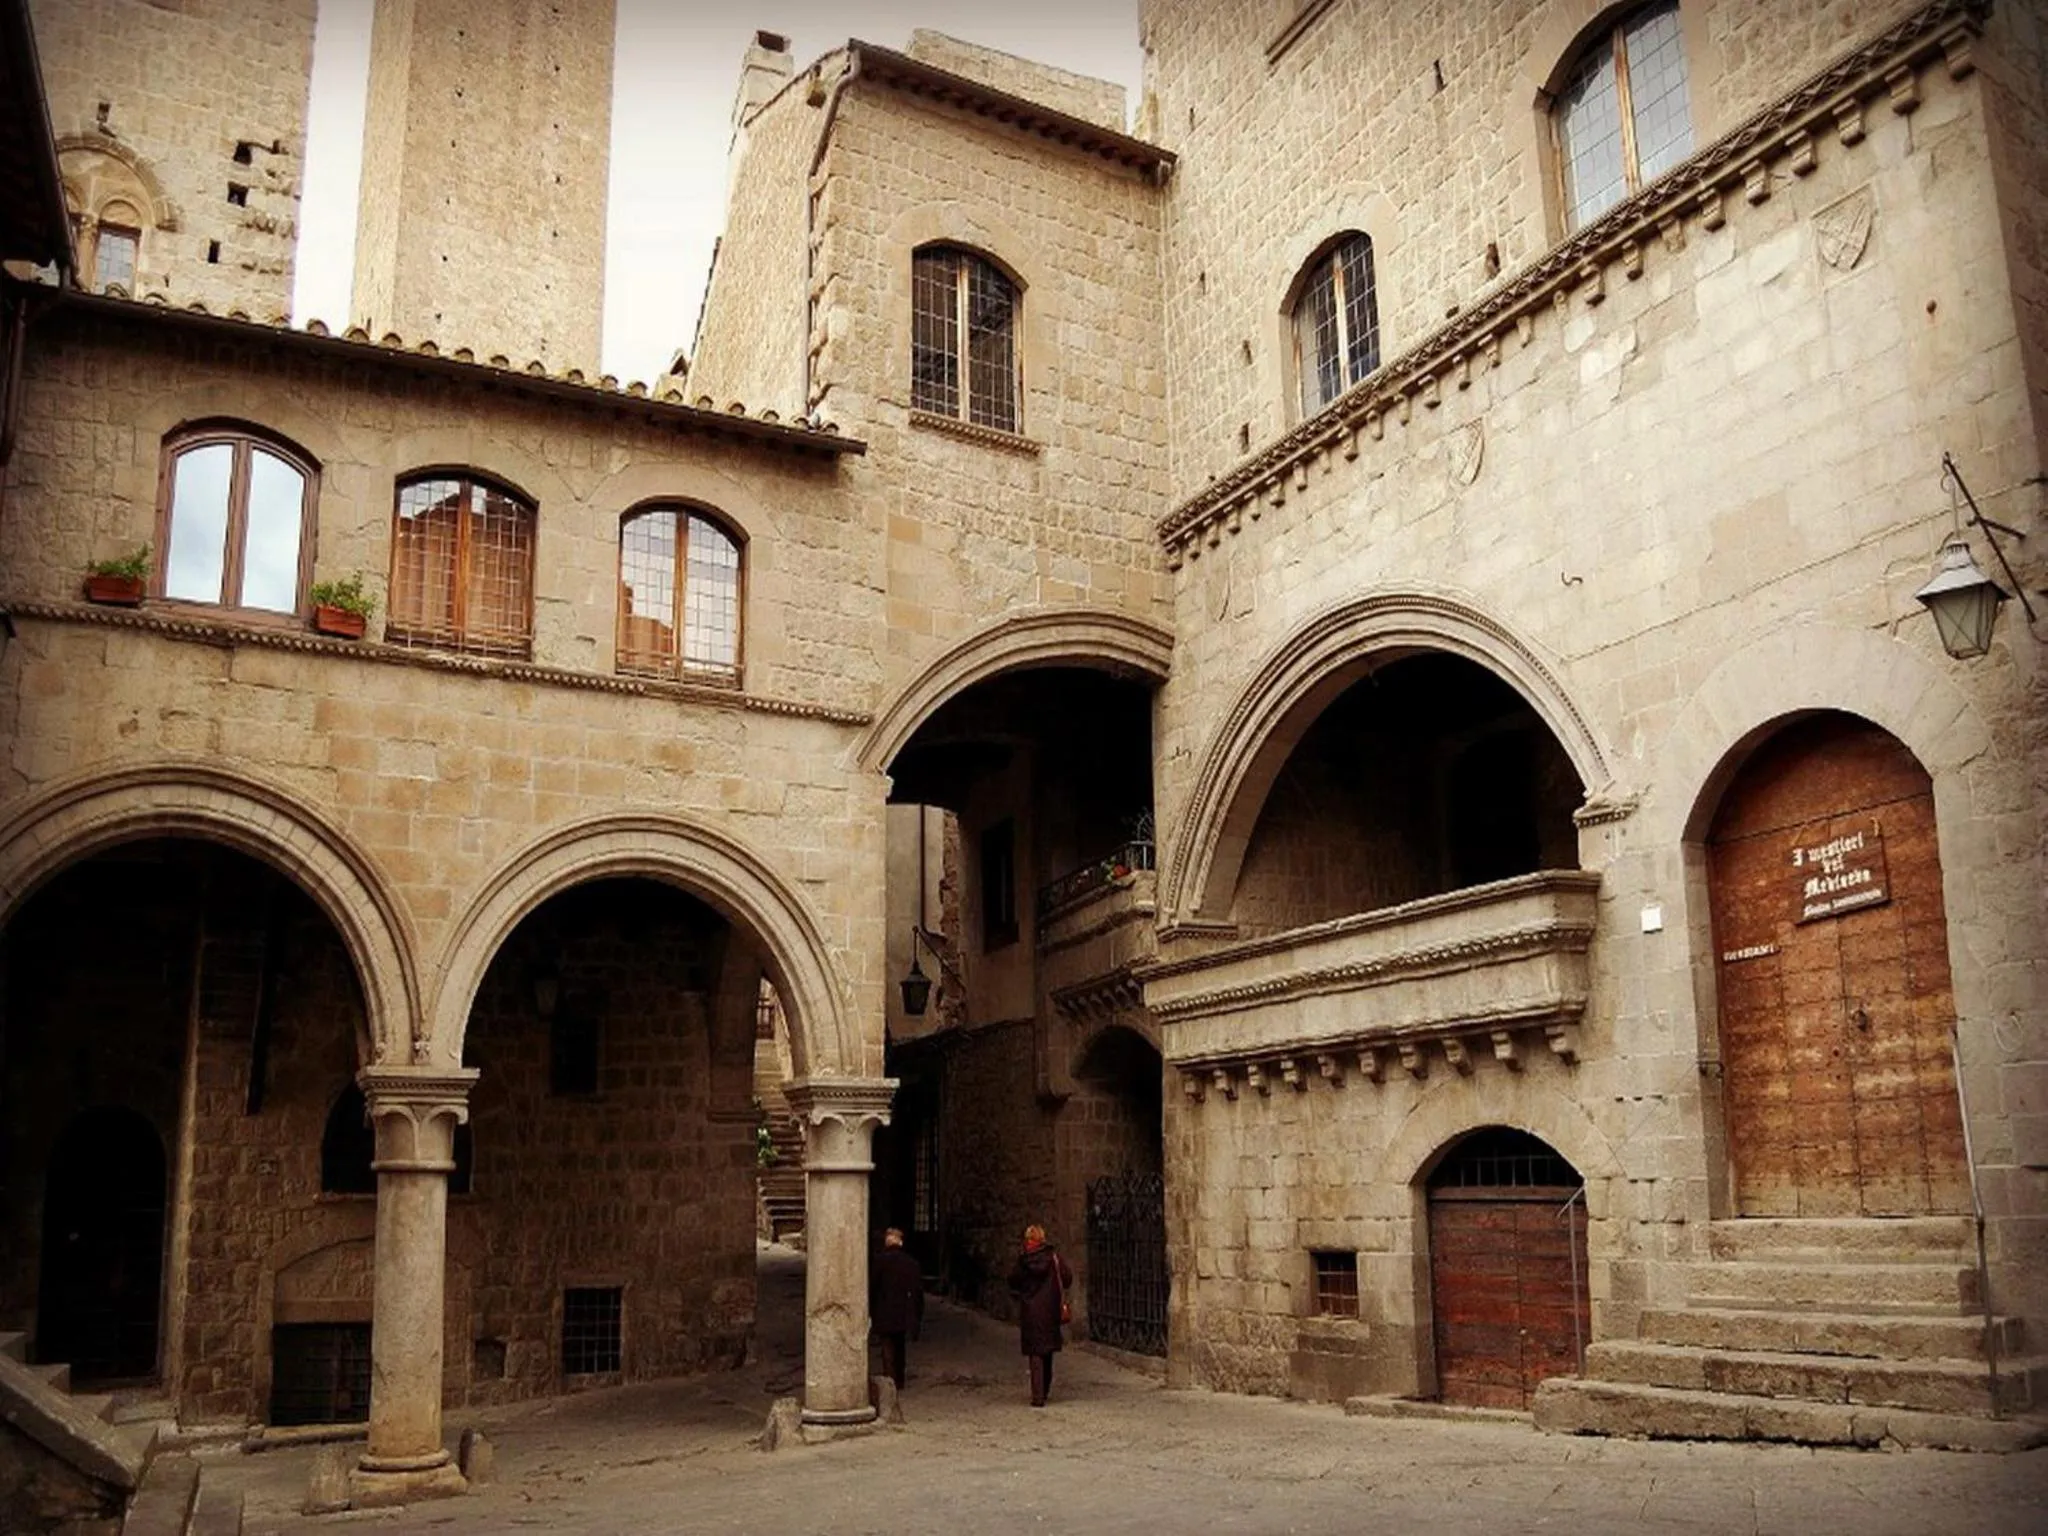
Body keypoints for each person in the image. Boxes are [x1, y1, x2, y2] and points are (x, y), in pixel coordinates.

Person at [1006, 1223, 1074, 1407]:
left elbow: (1013, 1280)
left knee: (1035, 1353)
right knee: (1047, 1351)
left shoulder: (1023, 1261)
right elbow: (1067, 1278)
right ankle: (1045, 1389)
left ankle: (1038, 1396)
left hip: (1030, 1312)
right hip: (1050, 1311)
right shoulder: (1053, 1258)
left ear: (1028, 1240)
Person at [869, 1227, 924, 1390]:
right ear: (901, 1242)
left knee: (887, 1348)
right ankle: (899, 1379)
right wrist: (916, 1316)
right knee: (900, 1347)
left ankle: (889, 1381)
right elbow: (917, 1292)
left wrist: (871, 1311)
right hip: (903, 1312)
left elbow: (872, 1288)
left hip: (884, 1311)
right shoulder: (912, 1264)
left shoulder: (879, 1262)